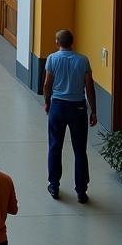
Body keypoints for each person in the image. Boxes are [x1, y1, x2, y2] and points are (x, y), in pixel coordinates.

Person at [43, 29, 96, 202]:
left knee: (55, 146)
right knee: (80, 150)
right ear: (72, 42)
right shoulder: (83, 60)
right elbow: (89, 88)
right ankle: (81, 191)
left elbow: (47, 85)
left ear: (57, 42)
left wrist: (47, 102)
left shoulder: (52, 59)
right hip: (78, 109)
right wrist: (93, 111)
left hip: (58, 106)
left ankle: (54, 185)